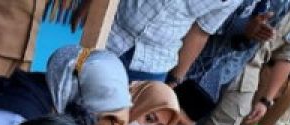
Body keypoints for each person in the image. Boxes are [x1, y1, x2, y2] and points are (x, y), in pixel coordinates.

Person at [102, 0, 244, 82]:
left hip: (153, 66)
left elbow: (201, 31)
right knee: (80, 85)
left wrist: (175, 78)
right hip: (107, 34)